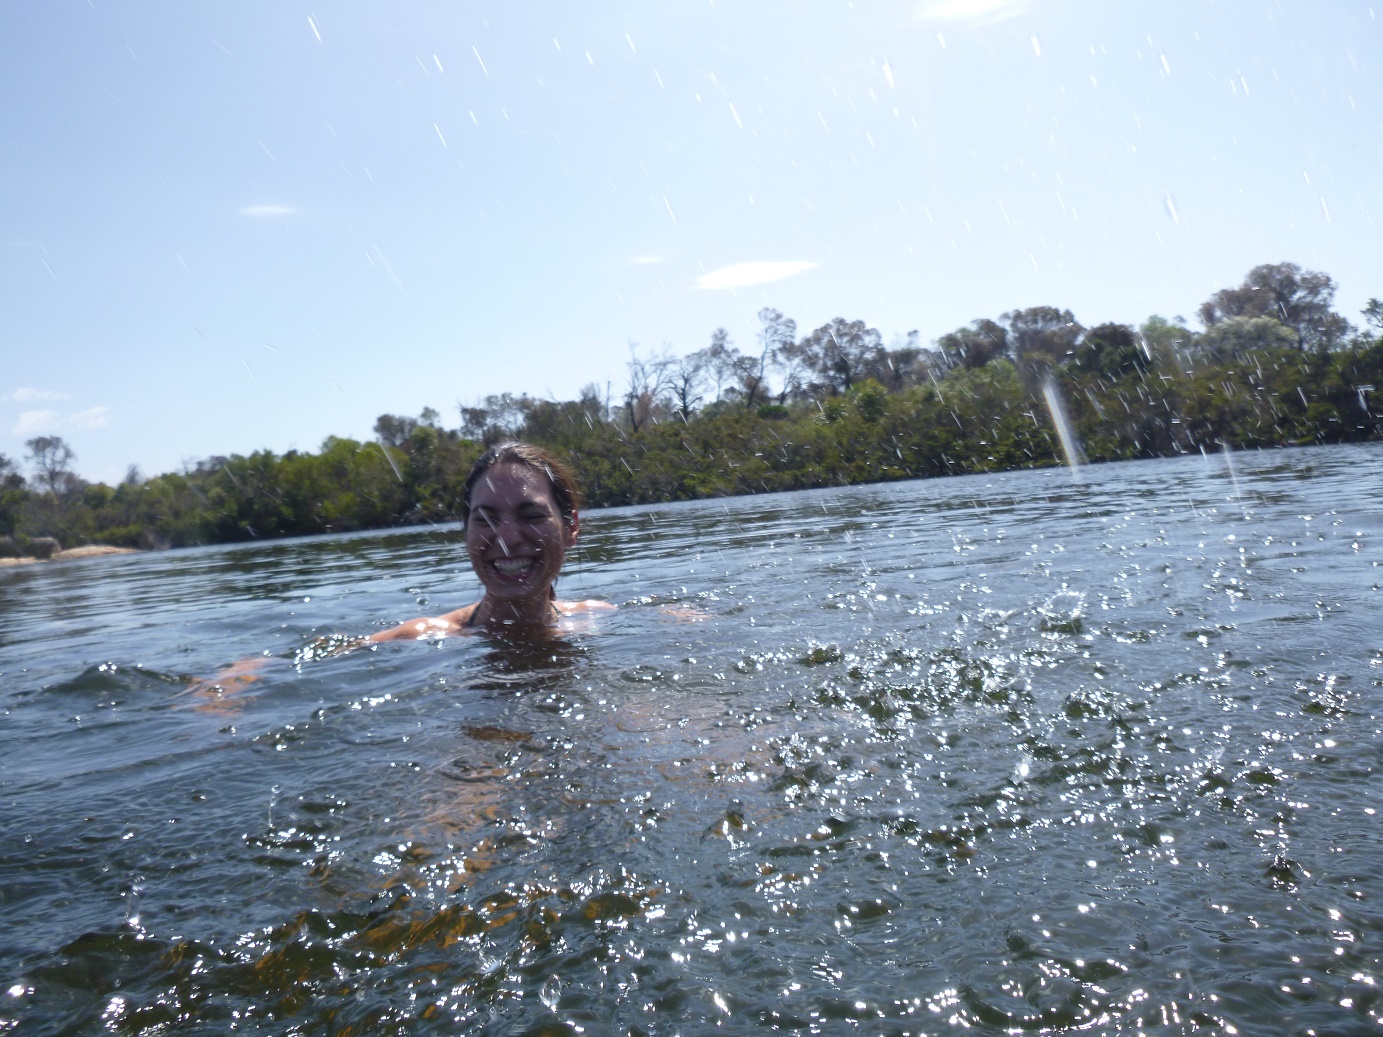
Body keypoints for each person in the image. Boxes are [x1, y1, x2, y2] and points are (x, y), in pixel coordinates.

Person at [370, 441, 613, 640]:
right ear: (466, 533)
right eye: (485, 520)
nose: (508, 539)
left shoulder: (596, 617)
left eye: (532, 516)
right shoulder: (419, 638)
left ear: (571, 528)